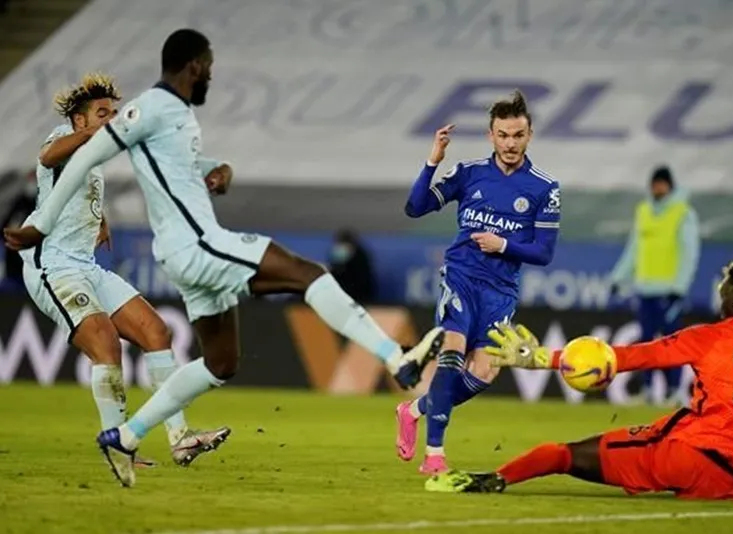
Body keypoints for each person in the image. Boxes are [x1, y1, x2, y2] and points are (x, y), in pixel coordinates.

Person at [4, 29, 444, 487]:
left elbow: (172, 165)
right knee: (304, 273)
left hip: (144, 258)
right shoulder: (140, 111)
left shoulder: (175, 116)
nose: (212, 73)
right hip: (175, 247)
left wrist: (217, 169)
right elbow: (66, 157)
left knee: (213, 359)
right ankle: (398, 359)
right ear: (194, 66)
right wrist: (41, 221)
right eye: (209, 65)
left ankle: (130, 436)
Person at [428, 261, 733, 500]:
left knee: (563, 454)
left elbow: (635, 357)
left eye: (722, 289)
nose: (719, 296)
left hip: (686, 455)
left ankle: (494, 479)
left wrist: (542, 358)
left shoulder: (711, 337)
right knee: (712, 445)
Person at [15, 72, 228, 468]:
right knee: (107, 346)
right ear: (79, 120)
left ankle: (180, 438)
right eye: (102, 113)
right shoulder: (62, 135)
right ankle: (118, 449)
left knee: (156, 332)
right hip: (54, 267)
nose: (112, 119)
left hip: (87, 265)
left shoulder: (94, 157)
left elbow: (77, 190)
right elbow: (48, 158)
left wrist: (98, 219)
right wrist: (95, 134)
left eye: (115, 112)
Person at [398, 90, 561, 474]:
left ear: (529, 135)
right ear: (491, 135)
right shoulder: (469, 173)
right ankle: (434, 455)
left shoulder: (544, 188)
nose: (509, 143)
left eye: (517, 135)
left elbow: (543, 252)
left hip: (500, 292)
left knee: (485, 371)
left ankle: (415, 409)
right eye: (502, 135)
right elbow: (415, 207)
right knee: (451, 357)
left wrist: (501, 244)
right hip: (461, 278)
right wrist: (432, 161)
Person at [609, 165, 700, 405]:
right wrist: (619, 278)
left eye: (662, 184)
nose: (658, 188)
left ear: (670, 186)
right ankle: (649, 390)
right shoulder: (644, 211)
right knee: (647, 343)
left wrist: (679, 288)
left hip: (669, 290)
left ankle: (672, 391)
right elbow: (634, 249)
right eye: (655, 184)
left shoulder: (683, 213)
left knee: (671, 343)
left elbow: (689, 253)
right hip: (645, 289)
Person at [0, 170, 37, 293]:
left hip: (32, 266)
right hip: (13, 263)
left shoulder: (43, 206)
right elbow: (5, 227)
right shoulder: (19, 203)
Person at [328, 229, 375, 304]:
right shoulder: (337, 256)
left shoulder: (360, 257)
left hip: (359, 296)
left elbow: (362, 281)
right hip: (341, 294)